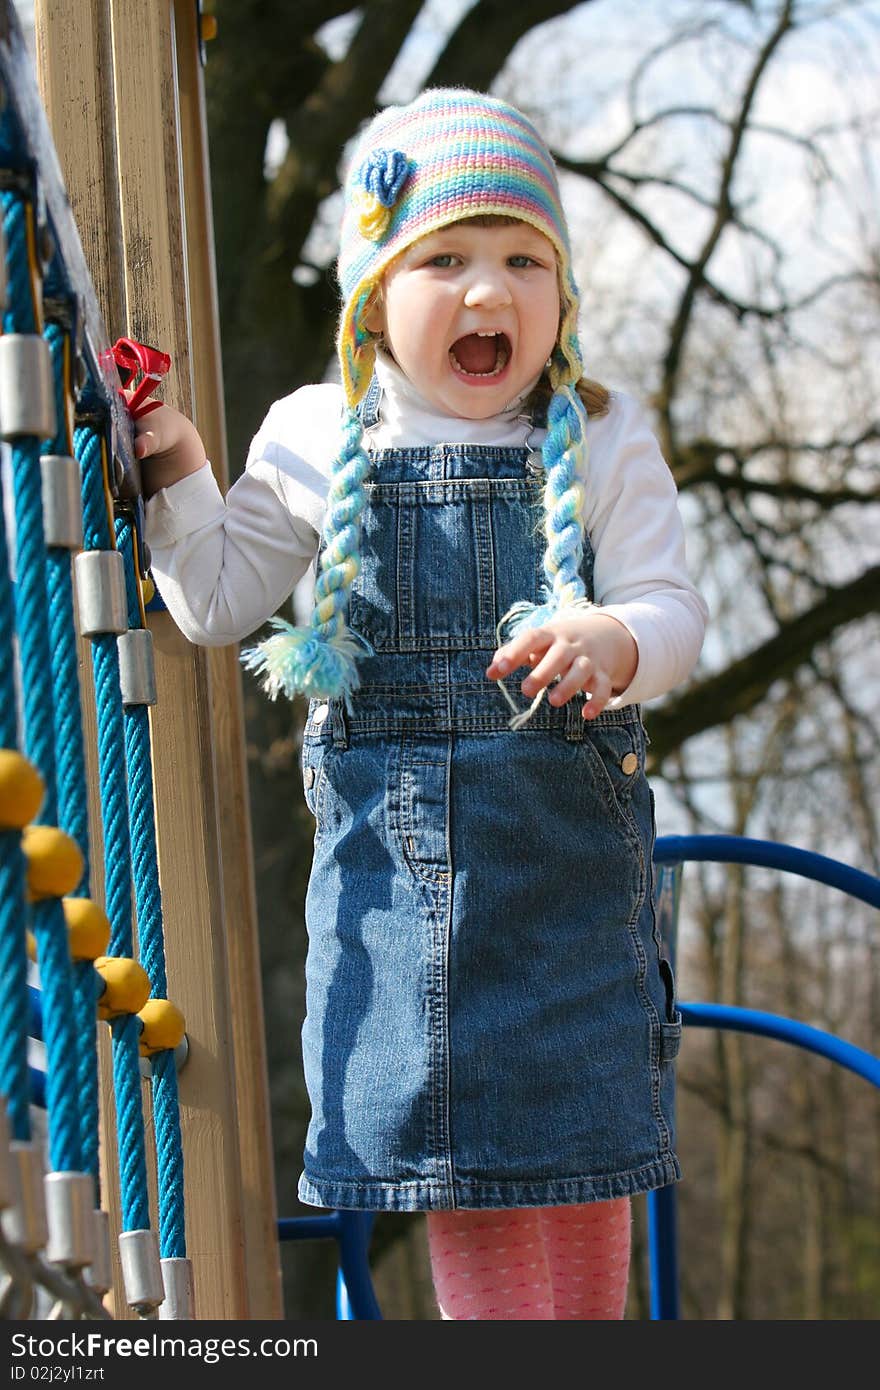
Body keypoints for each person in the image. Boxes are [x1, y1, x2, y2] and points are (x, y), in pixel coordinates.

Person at [138, 87, 708, 1320]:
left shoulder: (601, 436)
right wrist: (179, 467)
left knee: (585, 1169)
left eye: (522, 259)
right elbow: (217, 599)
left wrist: (614, 635)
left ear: (560, 295)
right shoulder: (314, 435)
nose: (488, 291)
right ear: (371, 297)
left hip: (567, 894)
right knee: (472, 1179)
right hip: (402, 902)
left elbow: (672, 608)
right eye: (442, 259)